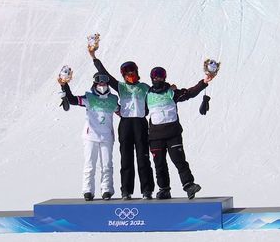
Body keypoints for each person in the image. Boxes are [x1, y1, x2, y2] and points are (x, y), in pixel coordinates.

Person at [88, 48, 155, 200]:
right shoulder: (120, 86)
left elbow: (159, 91)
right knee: (126, 158)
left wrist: (171, 89)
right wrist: (93, 56)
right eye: (126, 73)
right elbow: (104, 72)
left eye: (132, 72)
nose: (130, 75)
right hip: (125, 124)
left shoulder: (145, 87)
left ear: (137, 72)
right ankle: (126, 191)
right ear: (123, 75)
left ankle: (147, 190)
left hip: (140, 123)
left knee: (143, 157)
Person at [145, 66, 215, 199]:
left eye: (160, 76)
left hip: (173, 134)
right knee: (159, 164)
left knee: (179, 161)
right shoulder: (147, 94)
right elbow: (140, 110)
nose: (157, 79)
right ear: (151, 78)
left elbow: (189, 93)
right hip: (155, 137)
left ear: (164, 77)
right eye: (155, 76)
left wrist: (204, 82)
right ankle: (164, 189)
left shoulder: (172, 92)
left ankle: (189, 185)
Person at [58, 72, 119, 201]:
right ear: (95, 83)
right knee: (90, 165)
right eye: (99, 81)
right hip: (91, 135)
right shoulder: (89, 97)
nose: (101, 84)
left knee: (107, 165)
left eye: (104, 81)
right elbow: (73, 99)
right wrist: (64, 85)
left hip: (107, 136)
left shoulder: (113, 99)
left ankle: (107, 190)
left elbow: (123, 112)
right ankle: (88, 190)